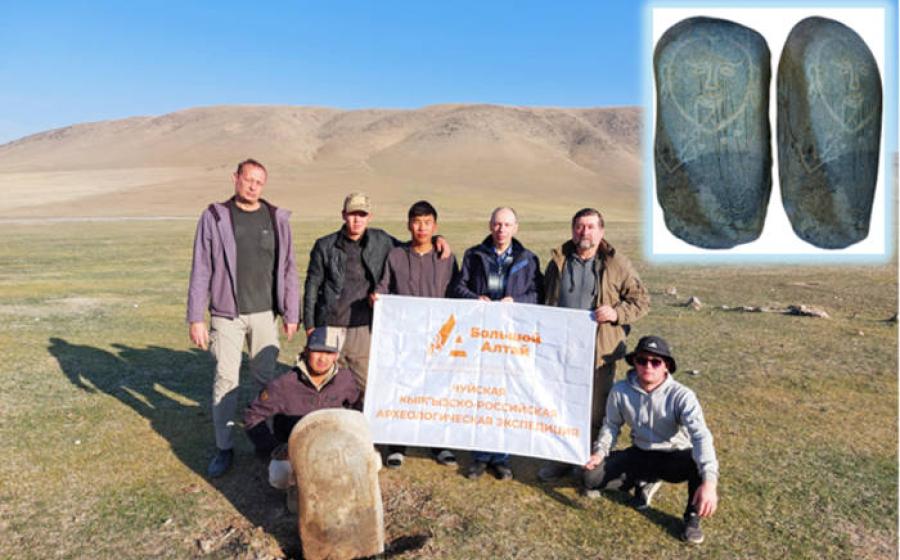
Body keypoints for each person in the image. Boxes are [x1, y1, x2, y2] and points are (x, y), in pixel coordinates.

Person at [186, 158, 299, 478]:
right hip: (227, 314)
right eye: (248, 179)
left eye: (259, 182)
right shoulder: (215, 217)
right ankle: (224, 447)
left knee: (266, 380)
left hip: (265, 313)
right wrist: (196, 317)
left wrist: (291, 312)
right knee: (226, 380)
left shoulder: (276, 218)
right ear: (235, 178)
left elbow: (288, 268)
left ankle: (266, 442)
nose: (253, 186)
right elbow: (201, 267)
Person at [538, 207, 649, 482]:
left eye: (590, 227)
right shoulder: (558, 261)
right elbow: (545, 299)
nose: (584, 232)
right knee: (561, 406)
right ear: (572, 230)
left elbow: (641, 301)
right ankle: (561, 459)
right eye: (579, 226)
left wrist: (616, 313)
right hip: (562, 350)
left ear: (601, 231)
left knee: (596, 411)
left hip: (600, 353)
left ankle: (589, 464)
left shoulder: (616, 264)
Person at [303, 192, 449, 397]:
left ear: (369, 217)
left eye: (362, 215)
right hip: (330, 325)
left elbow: (412, 245)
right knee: (326, 384)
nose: (357, 220)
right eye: (352, 214)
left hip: (364, 327)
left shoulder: (381, 240)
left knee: (367, 387)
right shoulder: (325, 245)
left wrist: (436, 239)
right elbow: (312, 285)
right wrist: (310, 325)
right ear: (343, 215)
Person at [583, 335, 719, 544]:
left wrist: (709, 483)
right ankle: (644, 482)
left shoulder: (682, 396)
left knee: (698, 463)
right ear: (634, 362)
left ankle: (691, 518)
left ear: (666, 366)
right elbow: (611, 425)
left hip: (674, 456)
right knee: (590, 478)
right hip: (640, 452)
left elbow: (701, 436)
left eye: (656, 362)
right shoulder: (620, 390)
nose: (648, 366)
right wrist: (600, 453)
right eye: (642, 360)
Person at [453, 206, 542, 480]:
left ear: (516, 227)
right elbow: (459, 287)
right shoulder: (474, 255)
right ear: (490, 225)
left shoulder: (528, 259)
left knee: (505, 394)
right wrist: (475, 299)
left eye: (507, 224)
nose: (501, 229)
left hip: (512, 338)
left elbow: (537, 294)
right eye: (497, 224)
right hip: (480, 337)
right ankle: (480, 456)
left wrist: (516, 301)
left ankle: (502, 457)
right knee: (482, 393)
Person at [372, 200, 460, 469]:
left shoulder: (446, 258)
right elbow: (385, 285)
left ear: (435, 226)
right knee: (402, 388)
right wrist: (377, 297)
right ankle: (397, 445)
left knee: (437, 389)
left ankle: (439, 444)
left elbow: (456, 294)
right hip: (404, 337)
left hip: (438, 338)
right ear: (408, 225)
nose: (422, 228)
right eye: (417, 222)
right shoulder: (396, 256)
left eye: (427, 223)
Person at [244, 327, 361, 498]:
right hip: (295, 450)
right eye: (317, 351)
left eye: (329, 353)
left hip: (331, 446)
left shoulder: (345, 379)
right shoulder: (284, 384)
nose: (322, 358)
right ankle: (293, 487)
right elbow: (252, 415)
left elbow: (357, 407)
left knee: (361, 468)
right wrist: (274, 447)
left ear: (336, 355)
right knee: (280, 474)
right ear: (306, 351)